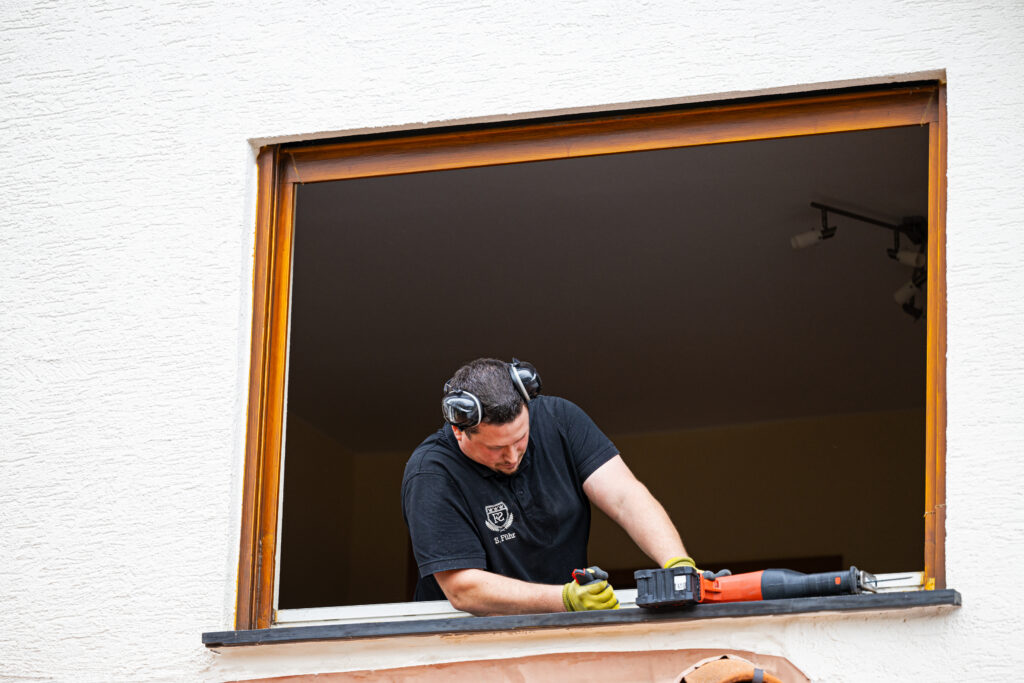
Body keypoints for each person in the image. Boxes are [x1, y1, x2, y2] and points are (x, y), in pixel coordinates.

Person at [401, 357, 698, 616]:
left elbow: (624, 496)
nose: (512, 456)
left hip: (562, 628)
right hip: (468, 645)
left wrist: (677, 565)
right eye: (496, 448)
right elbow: (463, 589)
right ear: (458, 430)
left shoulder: (560, 419)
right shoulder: (431, 473)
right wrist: (564, 599)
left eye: (520, 439)